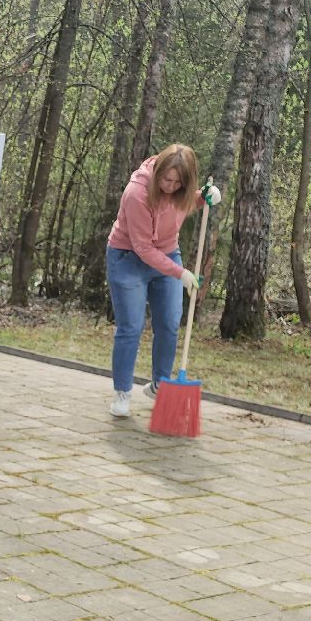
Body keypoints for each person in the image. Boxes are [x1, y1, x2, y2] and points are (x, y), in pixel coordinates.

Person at [104, 143, 220, 418]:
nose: (170, 186)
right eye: (167, 179)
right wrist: (180, 272)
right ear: (158, 173)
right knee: (131, 327)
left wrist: (204, 197)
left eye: (178, 182)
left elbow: (184, 204)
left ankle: (160, 384)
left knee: (169, 322)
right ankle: (122, 392)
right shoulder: (137, 193)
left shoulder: (180, 191)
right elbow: (143, 248)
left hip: (167, 254)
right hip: (128, 258)